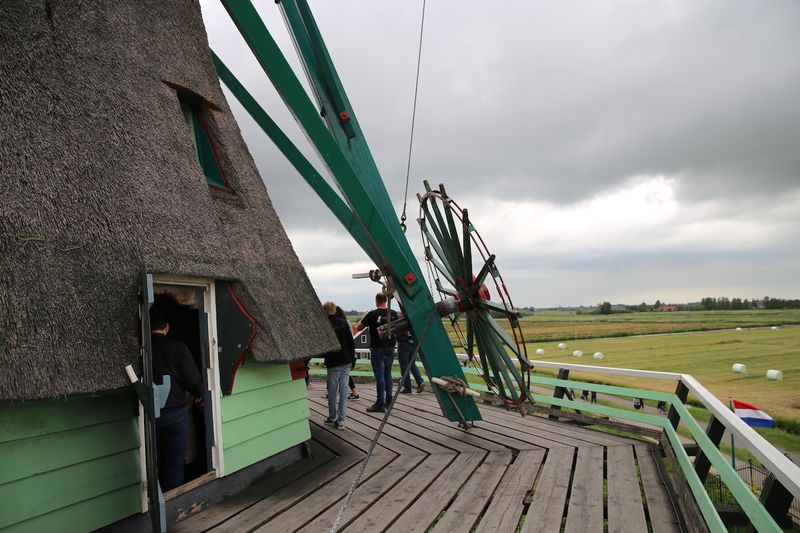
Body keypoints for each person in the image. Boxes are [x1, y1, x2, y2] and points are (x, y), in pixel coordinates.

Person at [150, 309, 204, 491]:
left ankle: (154, 503)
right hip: (176, 415)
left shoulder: (141, 350)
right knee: (174, 462)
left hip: (149, 416)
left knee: (152, 463)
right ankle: (172, 502)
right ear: (167, 328)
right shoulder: (178, 347)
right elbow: (193, 380)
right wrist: (201, 394)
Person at [355, 293, 398, 413]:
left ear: (376, 300)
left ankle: (380, 403)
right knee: (387, 375)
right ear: (385, 300)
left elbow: (358, 328)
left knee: (380, 376)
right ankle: (389, 400)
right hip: (390, 348)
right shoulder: (393, 313)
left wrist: (364, 317)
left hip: (378, 349)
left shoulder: (372, 314)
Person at [322, 301, 356, 430]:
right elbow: (351, 343)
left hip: (333, 362)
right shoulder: (343, 323)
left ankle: (332, 417)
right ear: (335, 310)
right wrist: (353, 360)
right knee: (343, 392)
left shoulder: (325, 326)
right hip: (346, 361)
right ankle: (341, 421)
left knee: (332, 391)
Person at [335, 306, 360, 399]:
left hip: (344, 352)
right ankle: (354, 392)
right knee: (344, 373)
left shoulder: (340, 324)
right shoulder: (347, 322)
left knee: (341, 373)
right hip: (350, 352)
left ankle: (354, 392)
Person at [396, 325, 425, 394]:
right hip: (413, 343)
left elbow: (397, 333)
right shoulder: (413, 319)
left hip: (403, 343)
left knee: (404, 367)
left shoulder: (400, 318)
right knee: (412, 364)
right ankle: (420, 382)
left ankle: (407, 388)